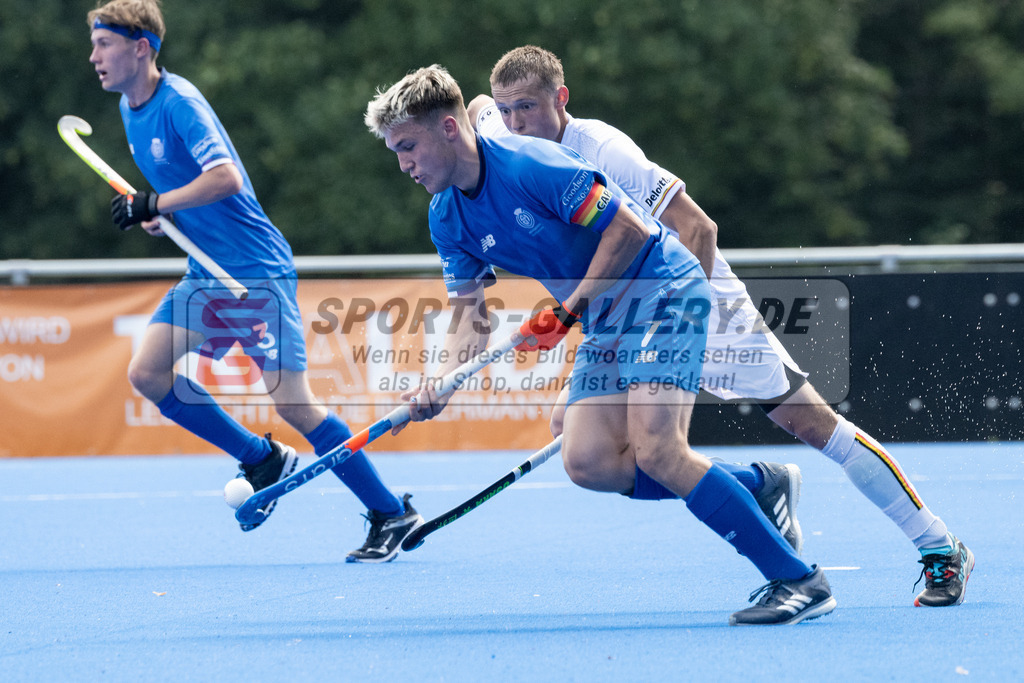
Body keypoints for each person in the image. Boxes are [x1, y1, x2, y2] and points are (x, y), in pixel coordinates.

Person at [469, 45, 972, 607]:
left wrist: (682, 322)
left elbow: (699, 229)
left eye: (528, 108)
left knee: (813, 425)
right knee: (581, 440)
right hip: (628, 318)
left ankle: (939, 545)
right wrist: (489, 114)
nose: (516, 122)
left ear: (561, 99)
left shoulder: (604, 149)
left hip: (698, 303)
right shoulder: (502, 136)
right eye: (508, 111)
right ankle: (761, 483)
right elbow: (476, 106)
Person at [365, 64, 837, 625]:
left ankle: (798, 580)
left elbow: (629, 230)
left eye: (408, 147)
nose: (404, 164)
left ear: (448, 129)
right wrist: (439, 384)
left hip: (662, 290)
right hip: (606, 318)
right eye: (396, 152)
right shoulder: (446, 217)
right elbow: (470, 315)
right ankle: (758, 485)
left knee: (658, 451)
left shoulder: (532, 164)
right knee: (588, 461)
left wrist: (568, 309)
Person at [86, 0, 421, 563]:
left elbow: (225, 178)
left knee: (296, 407)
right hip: (206, 272)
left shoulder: (179, 103)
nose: (93, 56)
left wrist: (157, 201)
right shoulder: (129, 107)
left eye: (104, 44)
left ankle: (391, 512)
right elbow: (186, 191)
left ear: (140, 47)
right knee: (147, 372)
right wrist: (160, 215)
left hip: (253, 273)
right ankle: (261, 458)